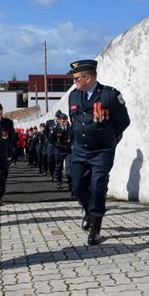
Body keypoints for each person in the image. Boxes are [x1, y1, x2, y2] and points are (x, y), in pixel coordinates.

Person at [68, 59, 130, 245]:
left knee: (97, 186)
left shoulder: (109, 95)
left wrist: (110, 139)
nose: (74, 82)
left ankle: (95, 226)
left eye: (77, 78)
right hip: (79, 150)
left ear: (88, 77)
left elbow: (123, 122)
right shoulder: (74, 96)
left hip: (102, 150)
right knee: (77, 186)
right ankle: (88, 209)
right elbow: (75, 121)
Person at [0, 102, 15, 206]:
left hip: (2, 154)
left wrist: (10, 153)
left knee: (2, 176)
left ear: (2, 112)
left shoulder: (7, 123)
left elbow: (12, 139)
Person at [52, 113, 72, 192]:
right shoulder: (55, 129)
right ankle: (59, 181)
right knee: (58, 167)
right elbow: (52, 140)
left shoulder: (70, 129)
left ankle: (71, 184)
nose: (64, 122)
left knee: (69, 168)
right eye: (63, 121)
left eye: (66, 121)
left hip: (68, 151)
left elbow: (73, 138)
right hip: (59, 150)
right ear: (60, 121)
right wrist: (57, 146)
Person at [45, 111, 61, 181]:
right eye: (57, 117)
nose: (58, 119)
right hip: (51, 144)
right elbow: (46, 133)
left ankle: (56, 175)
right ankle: (51, 173)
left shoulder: (61, 123)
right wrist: (49, 141)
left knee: (57, 160)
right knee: (50, 160)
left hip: (58, 145)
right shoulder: (49, 123)